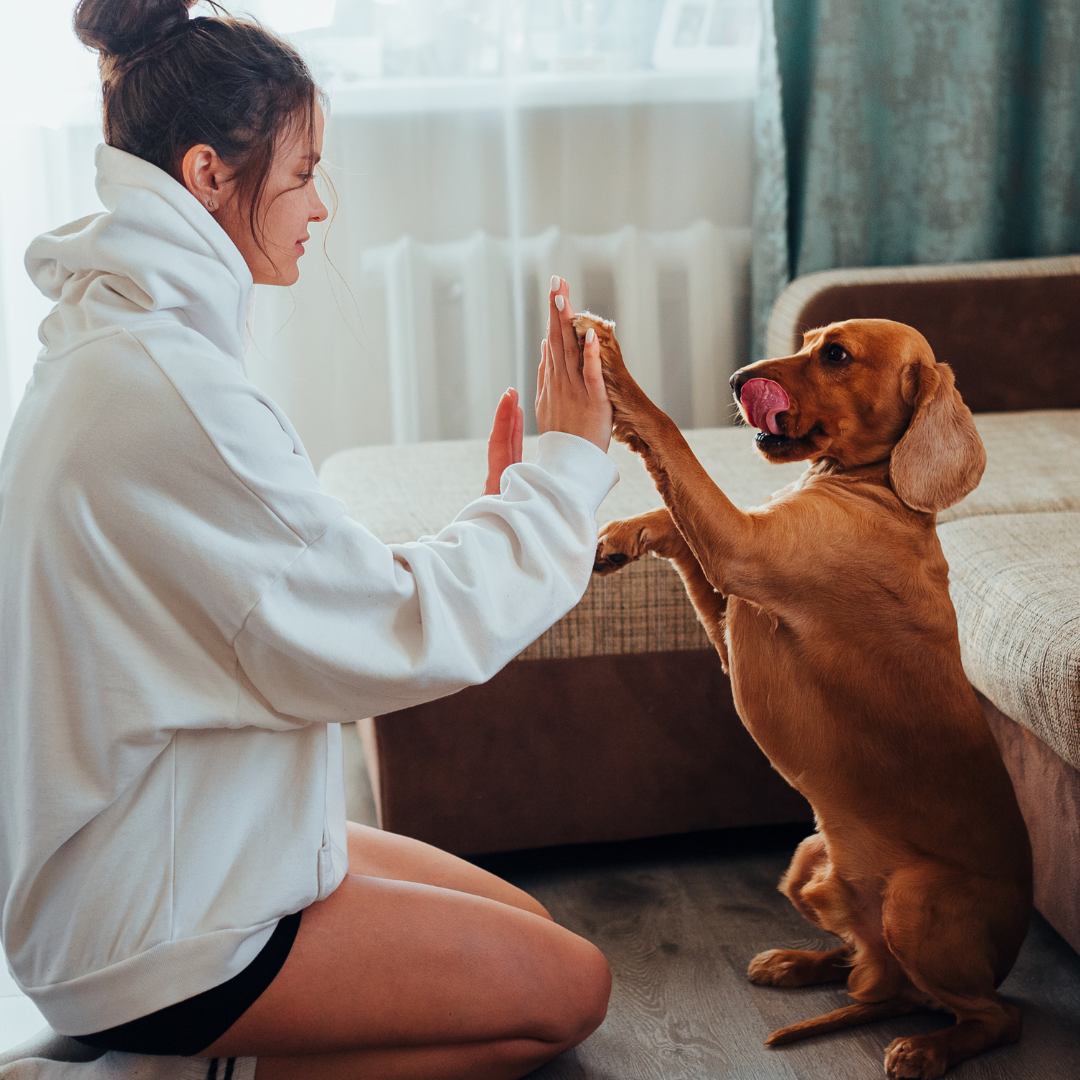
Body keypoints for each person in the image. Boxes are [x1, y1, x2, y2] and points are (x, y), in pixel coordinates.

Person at [0, 2, 617, 1078]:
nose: (320, 206)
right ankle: (174, 1068)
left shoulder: (128, 342)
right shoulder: (164, 388)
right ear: (205, 174)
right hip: (154, 926)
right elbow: (388, 628)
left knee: (534, 934)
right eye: (300, 175)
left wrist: (504, 509)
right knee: (570, 994)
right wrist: (562, 476)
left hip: (168, 847)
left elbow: (300, 590)